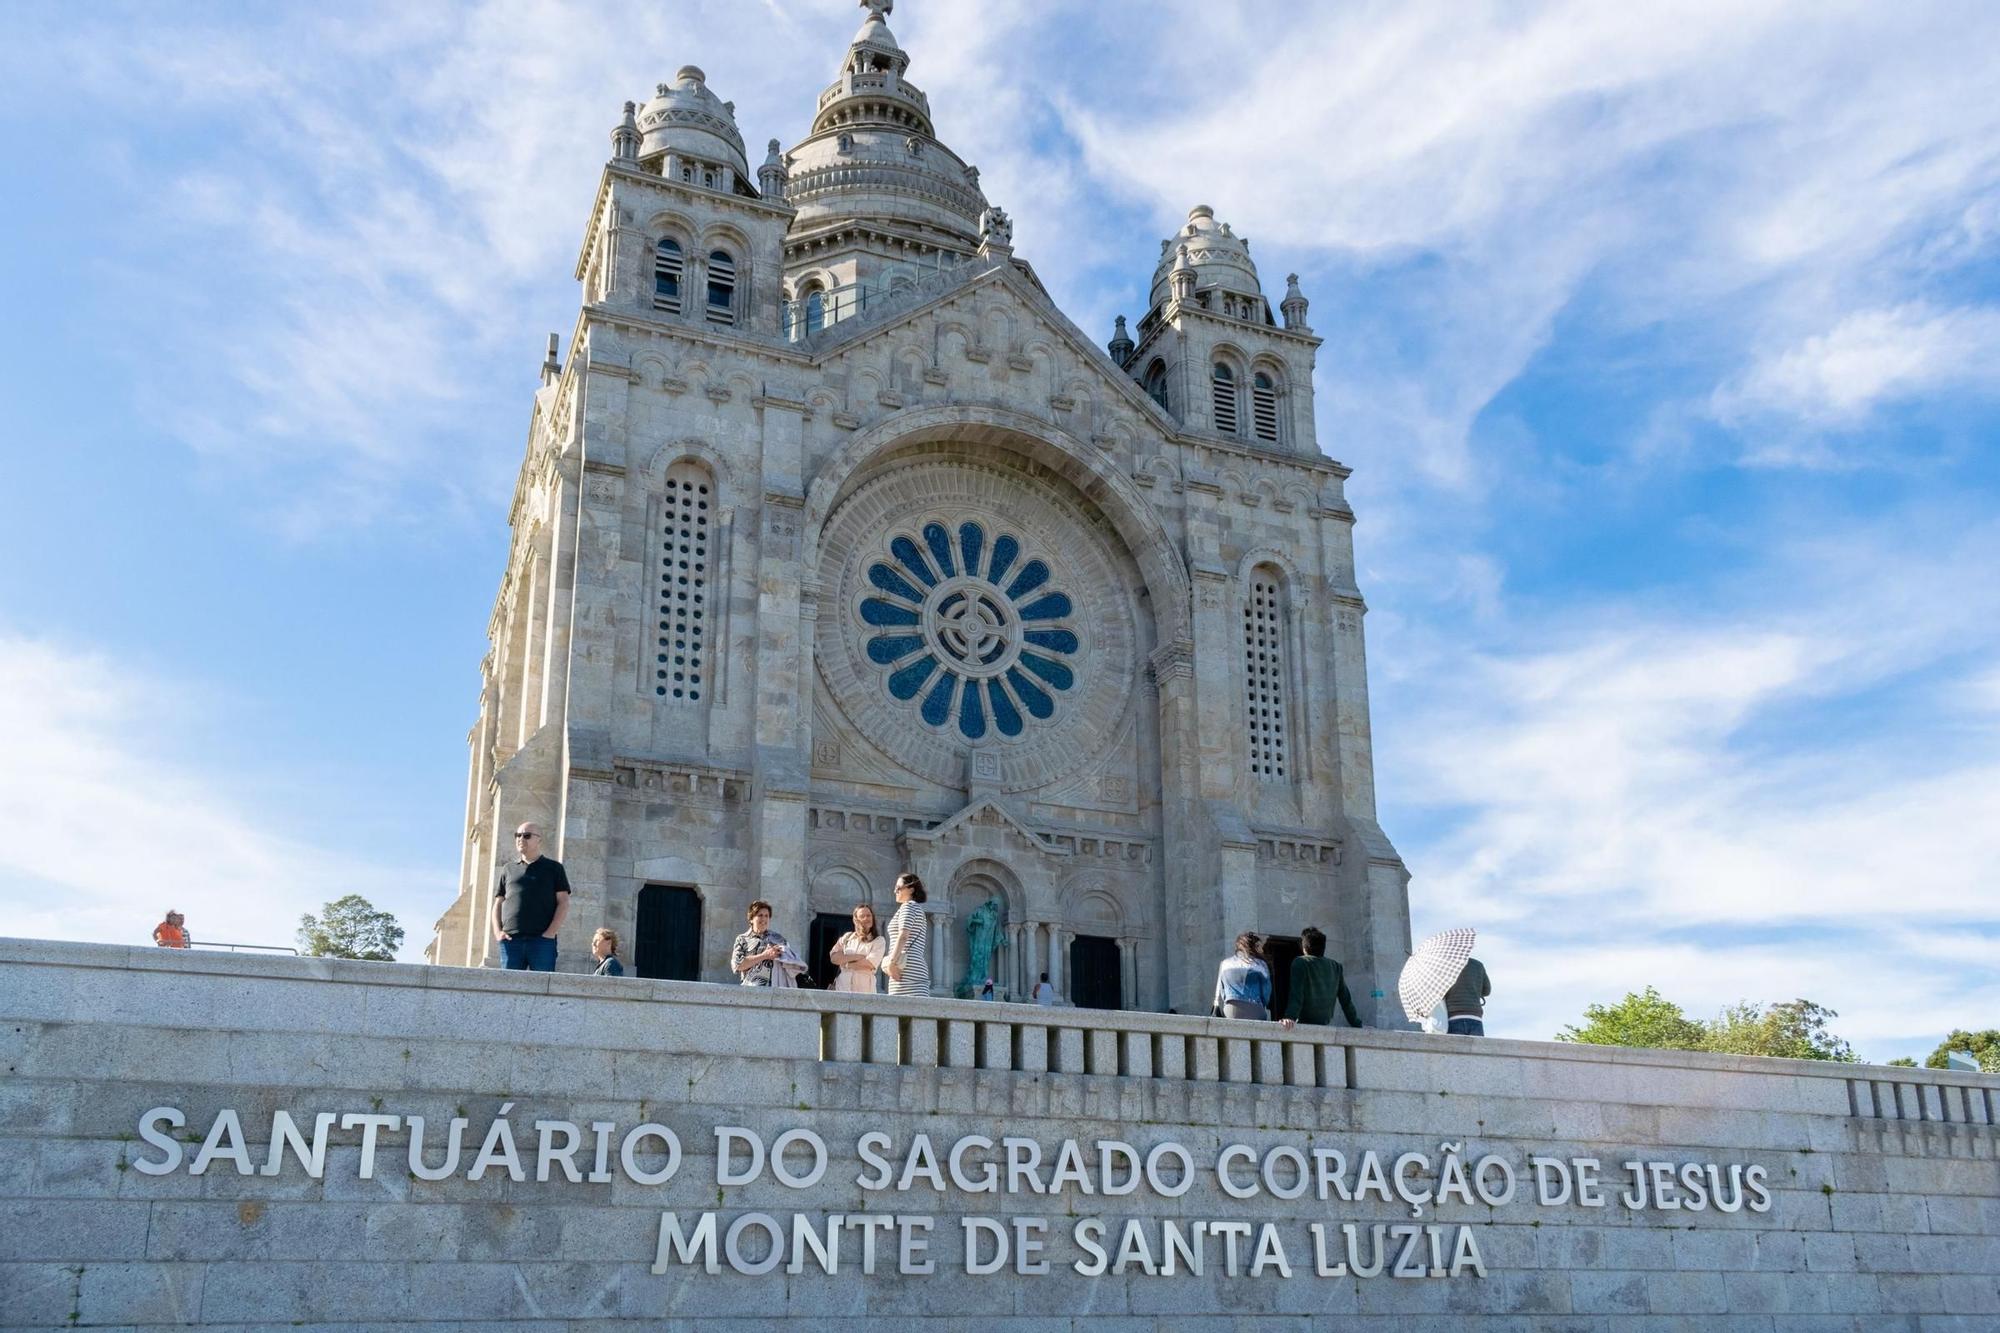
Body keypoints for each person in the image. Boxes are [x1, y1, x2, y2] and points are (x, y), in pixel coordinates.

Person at [1278, 925, 1362, 1029]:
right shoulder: (1336, 966)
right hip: (1325, 1024)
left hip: (1305, 1024)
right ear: (1324, 947)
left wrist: (1290, 1017)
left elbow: (1296, 994)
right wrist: (1357, 1024)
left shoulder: (1300, 962)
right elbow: (1346, 1000)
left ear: (1304, 948)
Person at [881, 872, 930, 996]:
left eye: (898, 888)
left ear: (911, 889)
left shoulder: (908, 907)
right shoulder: (916, 908)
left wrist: (891, 963)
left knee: (902, 1012)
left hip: (906, 970)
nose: (895, 891)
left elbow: (903, 936)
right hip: (910, 968)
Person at [1213, 931, 1273, 1020]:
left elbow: (1223, 993)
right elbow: (1266, 993)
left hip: (1231, 1009)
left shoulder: (1225, 964)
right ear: (1253, 947)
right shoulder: (1260, 965)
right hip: (1255, 1009)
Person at [828, 903, 885, 993]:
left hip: (864, 991)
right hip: (842, 989)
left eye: (869, 915)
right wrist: (857, 956)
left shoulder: (879, 940)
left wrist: (846, 964)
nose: (867, 918)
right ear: (856, 920)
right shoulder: (847, 937)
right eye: (862, 916)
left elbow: (869, 963)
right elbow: (834, 958)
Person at [730, 900, 788, 986]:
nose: (764, 919)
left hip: (775, 991)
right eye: (760, 915)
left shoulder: (778, 939)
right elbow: (737, 965)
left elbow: (788, 963)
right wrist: (765, 955)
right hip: (749, 992)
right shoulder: (742, 939)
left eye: (766, 916)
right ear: (751, 919)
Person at [1443, 956, 1491, 1036]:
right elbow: (1487, 991)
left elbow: (1441, 993)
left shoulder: (1445, 966)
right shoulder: (1478, 965)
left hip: (1454, 1017)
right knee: (1477, 1048)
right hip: (1475, 1016)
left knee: (1456, 1048)